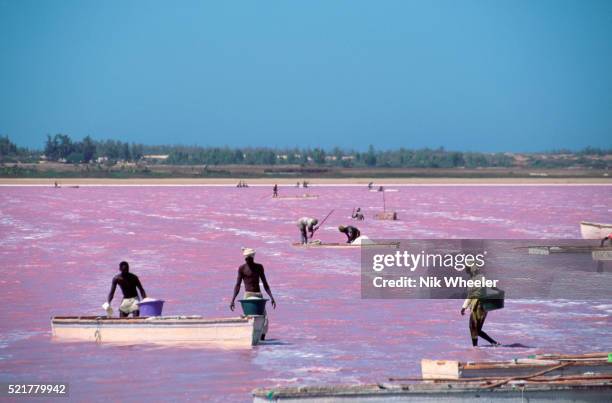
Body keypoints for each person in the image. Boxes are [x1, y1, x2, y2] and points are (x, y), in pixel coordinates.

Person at [230, 248, 276, 340]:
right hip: (248, 295)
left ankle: (262, 339)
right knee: (249, 319)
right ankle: (248, 338)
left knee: (264, 319)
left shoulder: (259, 267)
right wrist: (233, 300)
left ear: (253, 258)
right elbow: (238, 285)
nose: (248, 260)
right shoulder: (242, 268)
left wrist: (272, 297)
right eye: (246, 259)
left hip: (258, 295)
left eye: (249, 259)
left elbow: (265, 283)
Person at [460, 265, 500, 347]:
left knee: (473, 327)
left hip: (478, 305)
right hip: (483, 305)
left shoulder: (477, 278)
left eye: (467, 269)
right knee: (475, 328)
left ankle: (479, 346)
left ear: (471, 270)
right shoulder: (478, 278)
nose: (466, 271)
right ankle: (492, 344)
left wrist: (464, 307)